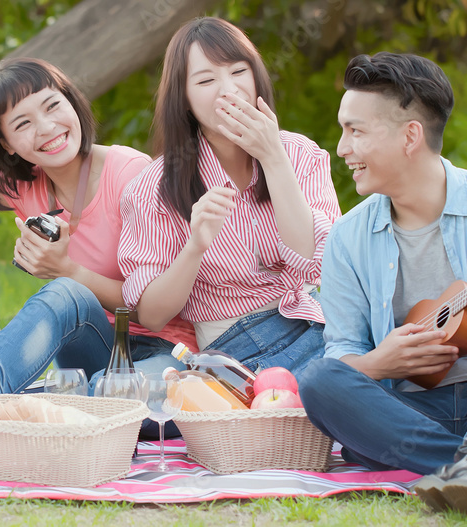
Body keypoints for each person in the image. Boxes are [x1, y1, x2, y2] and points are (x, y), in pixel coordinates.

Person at [297, 52, 467, 523]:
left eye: (356, 131)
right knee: (316, 380)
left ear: (410, 136)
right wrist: (378, 361)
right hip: (408, 415)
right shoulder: (347, 238)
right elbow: (342, 353)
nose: (342, 149)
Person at [0, 57, 197, 458]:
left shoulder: (130, 175)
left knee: (97, 394)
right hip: (93, 349)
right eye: (22, 123)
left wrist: (67, 269)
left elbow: (151, 309)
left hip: (161, 351)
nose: (46, 128)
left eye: (52, 106)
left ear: (72, 104)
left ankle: (47, 411)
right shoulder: (26, 187)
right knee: (65, 300)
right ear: (7, 144)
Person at [118, 17, 340, 375]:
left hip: (313, 321)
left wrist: (273, 158)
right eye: (206, 80)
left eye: (239, 71)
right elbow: (153, 315)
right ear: (185, 99)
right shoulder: (154, 186)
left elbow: (321, 264)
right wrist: (195, 247)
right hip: (235, 347)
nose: (229, 90)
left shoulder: (300, 155)